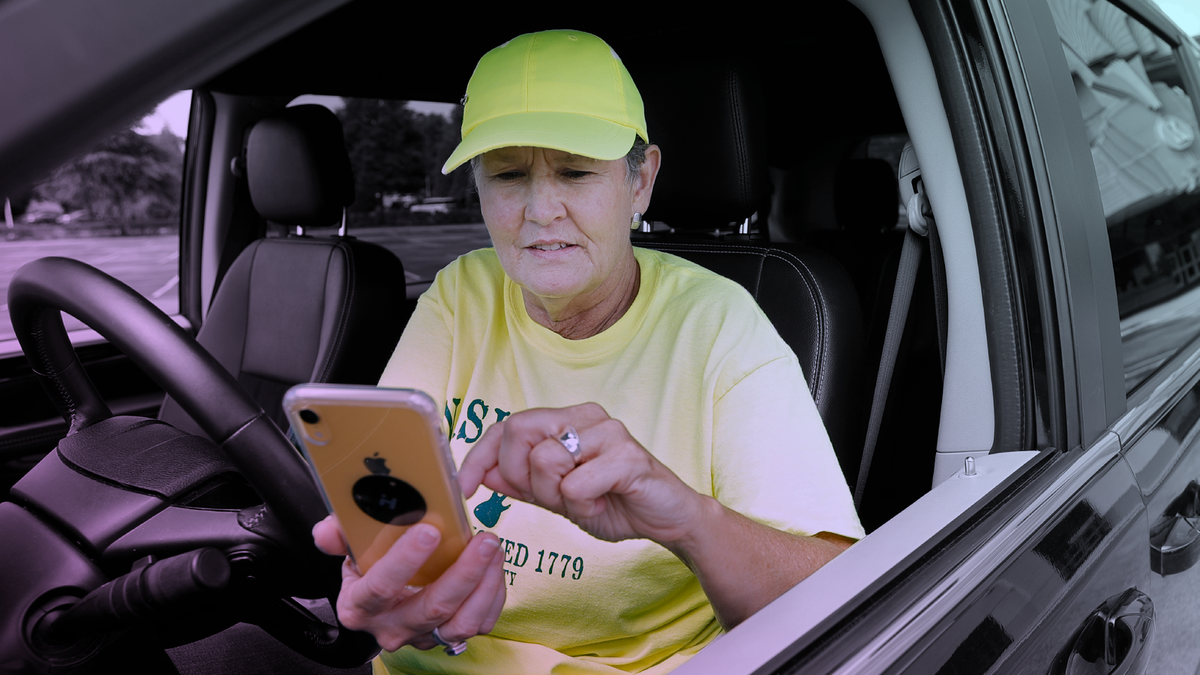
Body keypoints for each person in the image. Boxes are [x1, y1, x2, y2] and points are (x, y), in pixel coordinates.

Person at [312, 29, 863, 674]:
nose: (542, 210)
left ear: (640, 183)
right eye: (509, 174)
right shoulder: (463, 291)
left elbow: (837, 596)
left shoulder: (720, 326)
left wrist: (683, 517)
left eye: (575, 171)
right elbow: (387, 498)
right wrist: (408, 601)